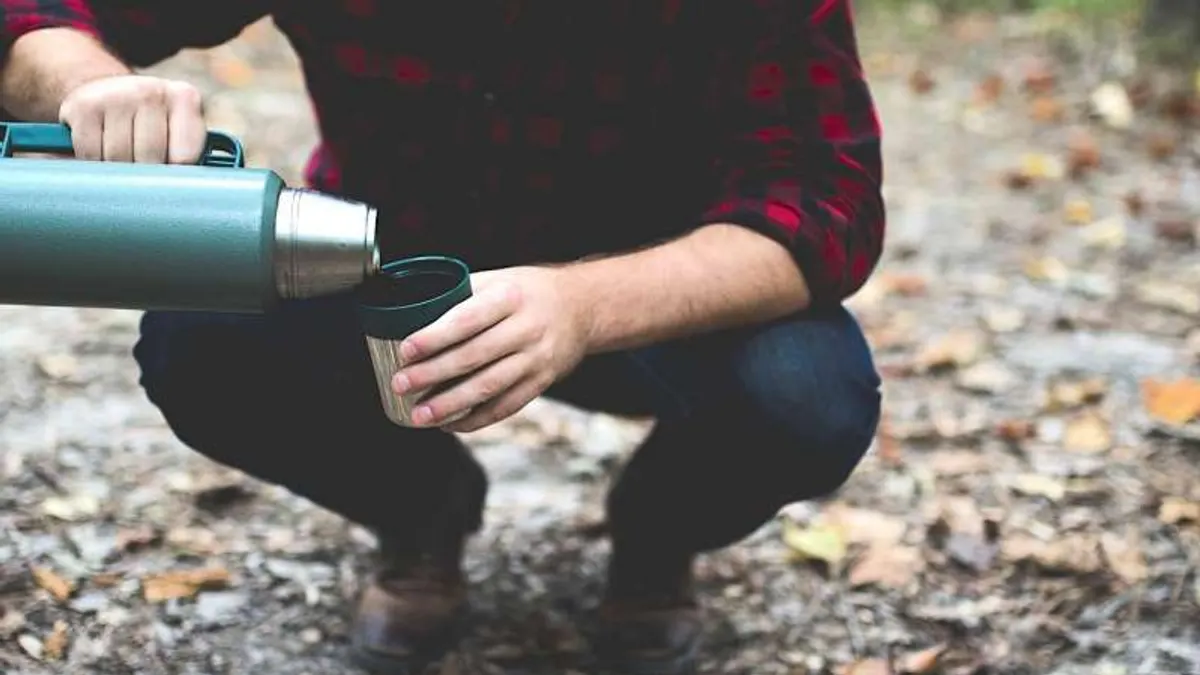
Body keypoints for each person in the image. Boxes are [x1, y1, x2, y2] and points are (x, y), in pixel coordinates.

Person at [0, 2, 885, 673]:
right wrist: (84, 82)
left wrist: (582, 306)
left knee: (805, 396)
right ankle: (420, 516)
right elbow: (38, 11)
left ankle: (657, 534)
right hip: (386, 267)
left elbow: (826, 199)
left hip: (656, 291)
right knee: (201, 343)